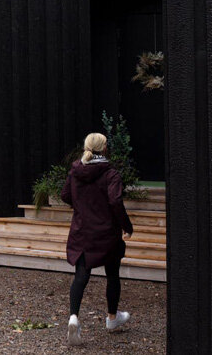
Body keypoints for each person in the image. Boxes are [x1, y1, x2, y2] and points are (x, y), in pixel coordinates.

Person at [60, 132, 134, 346]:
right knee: (112, 274)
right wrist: (126, 226)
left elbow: (65, 195)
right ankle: (112, 318)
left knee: (81, 276)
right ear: (105, 148)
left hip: (82, 231)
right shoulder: (110, 174)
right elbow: (115, 201)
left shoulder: (76, 171)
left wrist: (83, 206)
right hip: (106, 233)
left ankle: (74, 317)